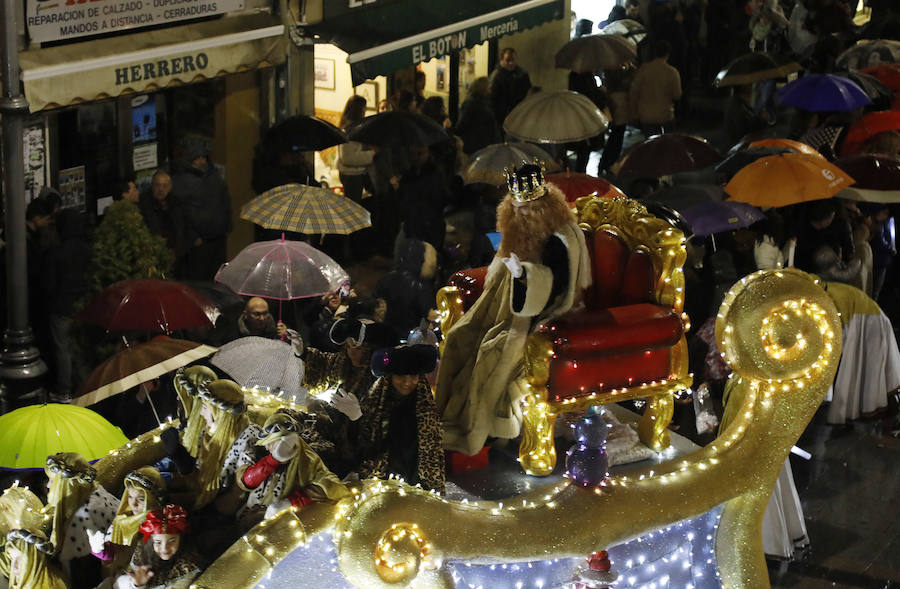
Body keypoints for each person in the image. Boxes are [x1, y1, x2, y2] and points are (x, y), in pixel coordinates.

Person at [435, 163, 592, 455]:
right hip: (503, 306)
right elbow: (500, 266)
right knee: (459, 334)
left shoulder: (562, 238)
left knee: (490, 351)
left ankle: (487, 430)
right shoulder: (519, 228)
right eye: (517, 207)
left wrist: (525, 276)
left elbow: (561, 289)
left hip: (538, 314)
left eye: (528, 208)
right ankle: (442, 416)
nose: (522, 214)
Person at [218, 411, 349, 528]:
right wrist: (273, 460)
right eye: (269, 443)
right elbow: (246, 481)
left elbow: (334, 488)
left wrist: (290, 502)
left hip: (278, 525)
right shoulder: (257, 452)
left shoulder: (307, 461)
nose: (270, 447)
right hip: (245, 513)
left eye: (277, 443)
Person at [355, 344, 445, 492]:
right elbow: (364, 445)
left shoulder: (426, 408)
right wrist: (356, 420)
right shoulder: (375, 406)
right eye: (401, 376)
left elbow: (433, 453)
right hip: (383, 483)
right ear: (390, 378)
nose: (408, 382)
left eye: (414, 376)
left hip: (416, 483)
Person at [43, 209, 91, 399]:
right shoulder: (88, 250)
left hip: (62, 307)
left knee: (63, 349)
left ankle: (65, 390)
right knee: (80, 349)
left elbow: (49, 284)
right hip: (83, 306)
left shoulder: (57, 252)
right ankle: (85, 386)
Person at [44, 453, 119, 566]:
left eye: (52, 480)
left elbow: (110, 555)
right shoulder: (89, 492)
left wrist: (96, 548)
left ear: (66, 485)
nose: (48, 485)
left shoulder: (88, 512)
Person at [172, 144, 232, 281]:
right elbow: (180, 213)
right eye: (197, 158)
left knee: (218, 277)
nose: (201, 161)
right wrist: (193, 237)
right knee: (200, 280)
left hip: (218, 237)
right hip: (200, 242)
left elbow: (225, 201)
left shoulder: (215, 177)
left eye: (203, 157)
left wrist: (227, 225)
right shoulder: (183, 182)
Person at [106, 505, 203, 589]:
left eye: (172, 541)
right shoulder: (141, 553)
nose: (165, 548)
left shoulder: (188, 567)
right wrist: (135, 585)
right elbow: (119, 584)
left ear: (181, 540)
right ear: (151, 541)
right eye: (158, 542)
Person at [190, 380, 249, 510]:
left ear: (220, 413)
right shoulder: (209, 432)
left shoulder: (246, 441)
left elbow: (233, 500)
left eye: (205, 408)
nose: (201, 413)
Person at [88, 468, 166, 564]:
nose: (133, 504)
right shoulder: (123, 518)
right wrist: (98, 548)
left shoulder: (159, 525)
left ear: (152, 499)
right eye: (130, 496)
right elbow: (114, 554)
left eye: (141, 499)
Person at [375, 238, 439, 339]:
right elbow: (432, 316)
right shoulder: (421, 287)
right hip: (409, 338)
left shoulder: (385, 279)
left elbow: (377, 306)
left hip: (385, 335)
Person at [629, 40, 683, 138]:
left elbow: (634, 92)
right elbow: (677, 95)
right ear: (668, 54)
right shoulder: (672, 72)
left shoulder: (644, 69)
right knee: (667, 143)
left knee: (651, 145)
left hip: (646, 115)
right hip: (666, 114)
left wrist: (634, 112)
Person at [139, 170, 188, 275]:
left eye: (165, 186)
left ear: (170, 188)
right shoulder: (144, 203)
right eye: (157, 185)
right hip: (154, 254)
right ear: (152, 186)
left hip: (176, 253)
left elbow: (182, 226)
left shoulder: (176, 203)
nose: (161, 189)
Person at [336, 95, 374, 204]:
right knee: (353, 206)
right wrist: (373, 153)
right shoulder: (348, 130)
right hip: (351, 175)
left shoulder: (353, 127)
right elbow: (348, 157)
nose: (365, 112)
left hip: (353, 174)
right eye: (364, 109)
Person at [454, 77, 501, 155]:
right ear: (482, 89)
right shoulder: (475, 104)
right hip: (477, 144)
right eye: (489, 88)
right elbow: (463, 124)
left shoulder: (478, 102)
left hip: (477, 143)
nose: (490, 91)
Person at [489, 48, 532, 128]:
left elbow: (528, 92)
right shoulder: (496, 76)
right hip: (501, 116)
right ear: (502, 61)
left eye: (513, 60)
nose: (511, 63)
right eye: (508, 60)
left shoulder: (522, 74)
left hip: (517, 114)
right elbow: (492, 98)